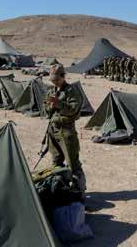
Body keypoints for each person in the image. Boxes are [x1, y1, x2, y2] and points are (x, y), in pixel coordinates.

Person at [44, 64, 86, 192]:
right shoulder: (51, 91)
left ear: (63, 77)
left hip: (66, 131)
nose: (55, 82)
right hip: (52, 130)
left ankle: (79, 192)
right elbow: (46, 112)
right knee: (56, 162)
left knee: (73, 164)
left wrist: (59, 103)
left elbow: (74, 111)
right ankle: (62, 189)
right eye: (52, 80)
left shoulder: (72, 91)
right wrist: (50, 106)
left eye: (57, 79)